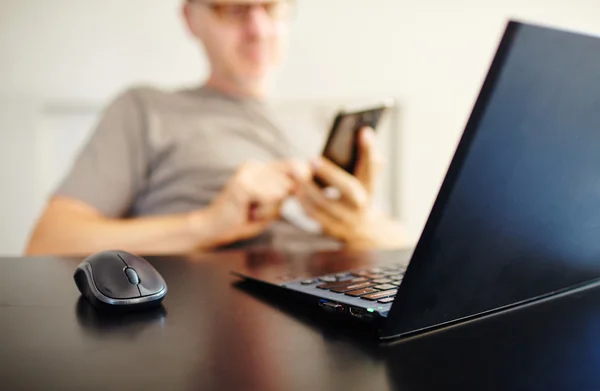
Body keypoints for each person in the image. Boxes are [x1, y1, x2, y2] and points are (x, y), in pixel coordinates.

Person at [25, 0, 405, 256]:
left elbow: (408, 249)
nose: (258, 28)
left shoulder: (324, 122)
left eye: (271, 6)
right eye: (232, 8)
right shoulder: (145, 109)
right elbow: (48, 243)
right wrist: (207, 226)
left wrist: (358, 226)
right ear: (191, 18)